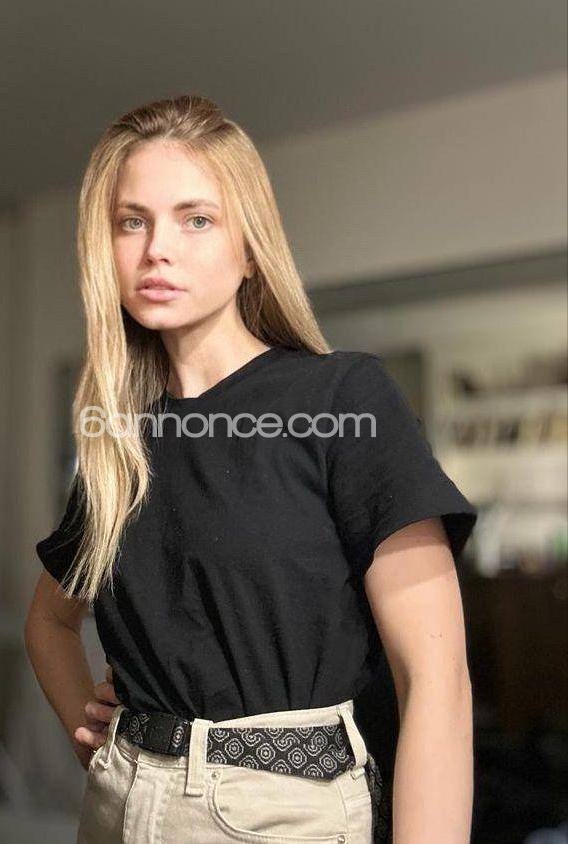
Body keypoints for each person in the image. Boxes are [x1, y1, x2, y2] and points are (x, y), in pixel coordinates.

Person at [24, 94, 478, 844]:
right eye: (132, 221)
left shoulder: (342, 399)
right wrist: (100, 743)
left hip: (282, 812)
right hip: (117, 805)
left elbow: (436, 683)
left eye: (196, 219)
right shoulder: (119, 439)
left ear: (249, 247)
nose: (156, 249)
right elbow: (49, 621)